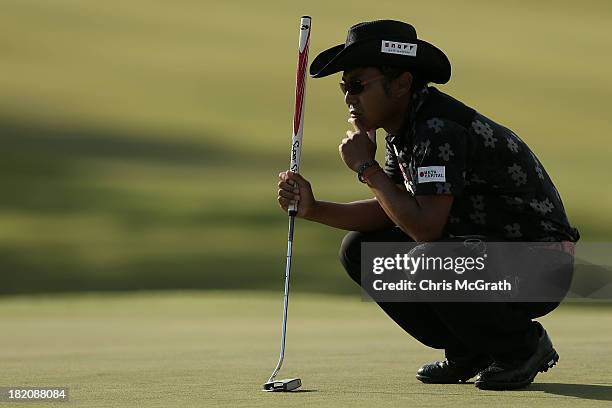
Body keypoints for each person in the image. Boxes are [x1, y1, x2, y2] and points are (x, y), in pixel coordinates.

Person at [276, 20, 579, 390]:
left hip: (540, 267)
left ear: (402, 83)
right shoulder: (405, 130)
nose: (348, 98)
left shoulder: (437, 127)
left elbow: (425, 227)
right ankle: (469, 349)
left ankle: (521, 347)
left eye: (358, 85)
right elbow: (393, 211)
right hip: (489, 257)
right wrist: (314, 209)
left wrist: (366, 168)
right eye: (344, 88)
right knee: (360, 249)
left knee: (428, 257)